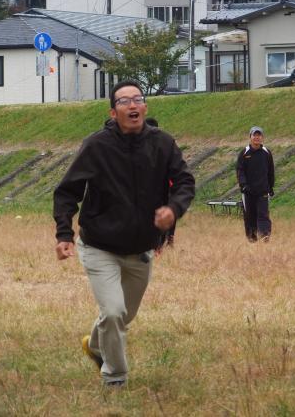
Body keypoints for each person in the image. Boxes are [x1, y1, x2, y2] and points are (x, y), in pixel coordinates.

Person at [53, 80, 195, 387]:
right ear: (113, 112)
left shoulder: (162, 143)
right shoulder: (97, 146)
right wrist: (64, 234)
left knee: (122, 316)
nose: (132, 105)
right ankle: (115, 377)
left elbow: (185, 182)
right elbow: (67, 191)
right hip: (99, 246)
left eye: (137, 99)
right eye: (124, 101)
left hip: (141, 249)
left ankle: (95, 345)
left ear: (145, 107)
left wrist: (174, 209)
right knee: (114, 311)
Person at [236, 126, 275, 242]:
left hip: (263, 190)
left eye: (259, 135)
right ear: (250, 137)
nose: (257, 137)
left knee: (263, 214)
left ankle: (265, 235)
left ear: (262, 137)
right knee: (250, 215)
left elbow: (271, 171)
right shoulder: (244, 153)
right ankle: (252, 237)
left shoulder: (266, 153)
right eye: (255, 135)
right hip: (248, 191)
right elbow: (240, 170)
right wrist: (243, 185)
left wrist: (270, 186)